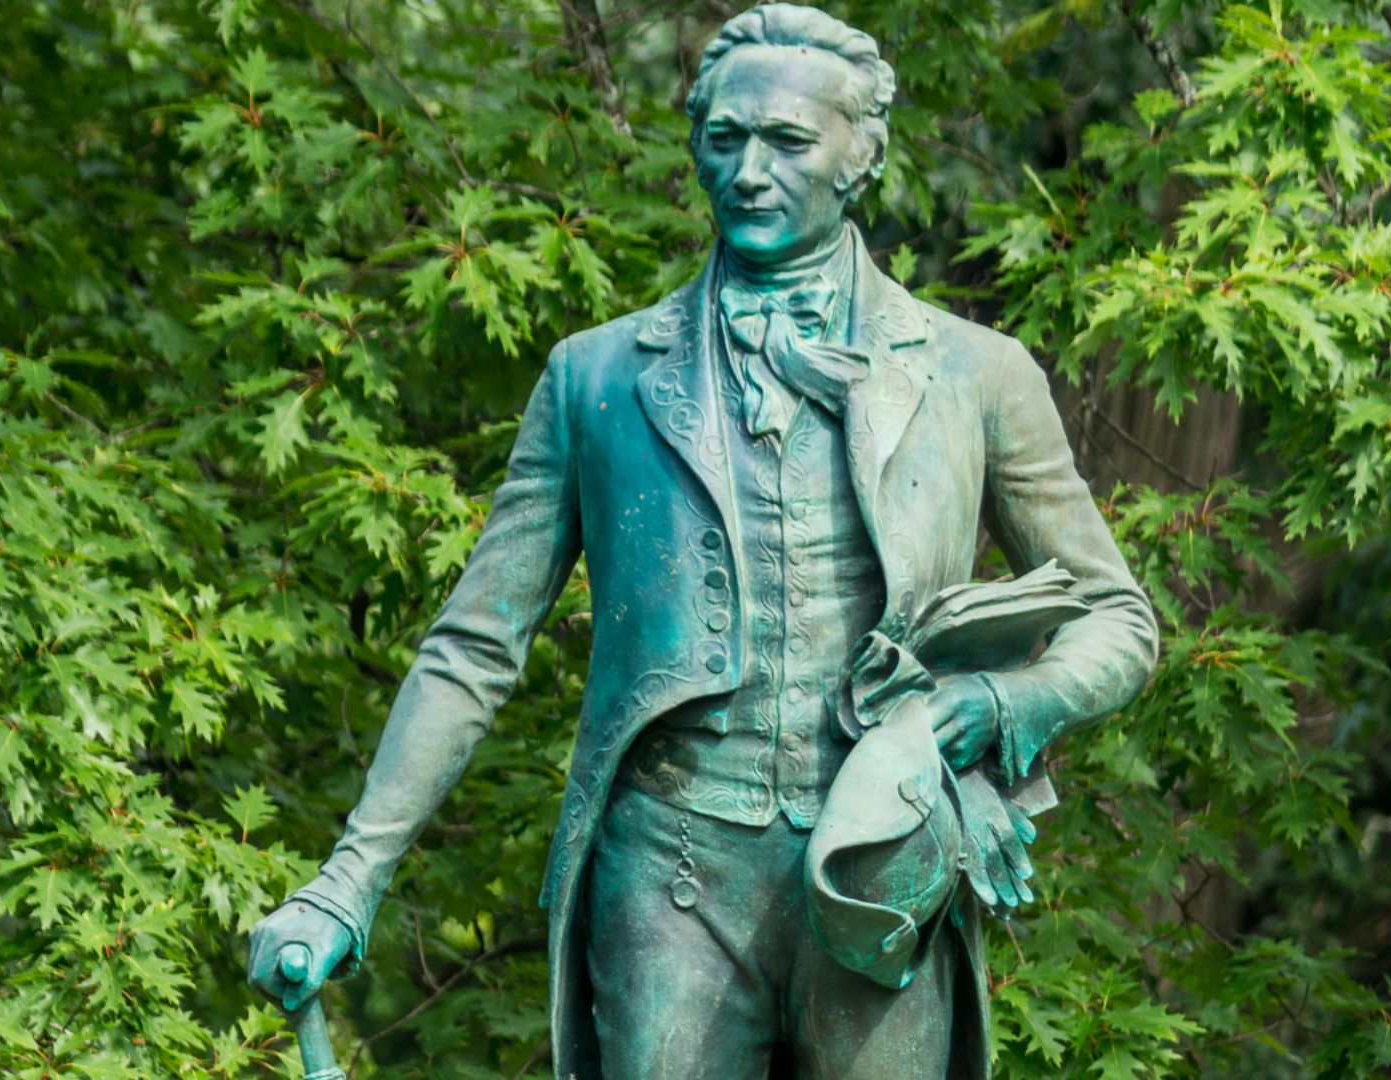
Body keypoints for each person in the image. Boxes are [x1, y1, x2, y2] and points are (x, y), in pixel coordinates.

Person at [247, 7, 1157, 1078]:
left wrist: (1001, 703)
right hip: (667, 876)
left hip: (882, 865)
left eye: (787, 143)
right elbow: (474, 648)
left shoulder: (976, 373)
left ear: (860, 157)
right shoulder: (593, 379)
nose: (750, 172)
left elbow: (1120, 621)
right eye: (724, 140)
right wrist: (348, 879)